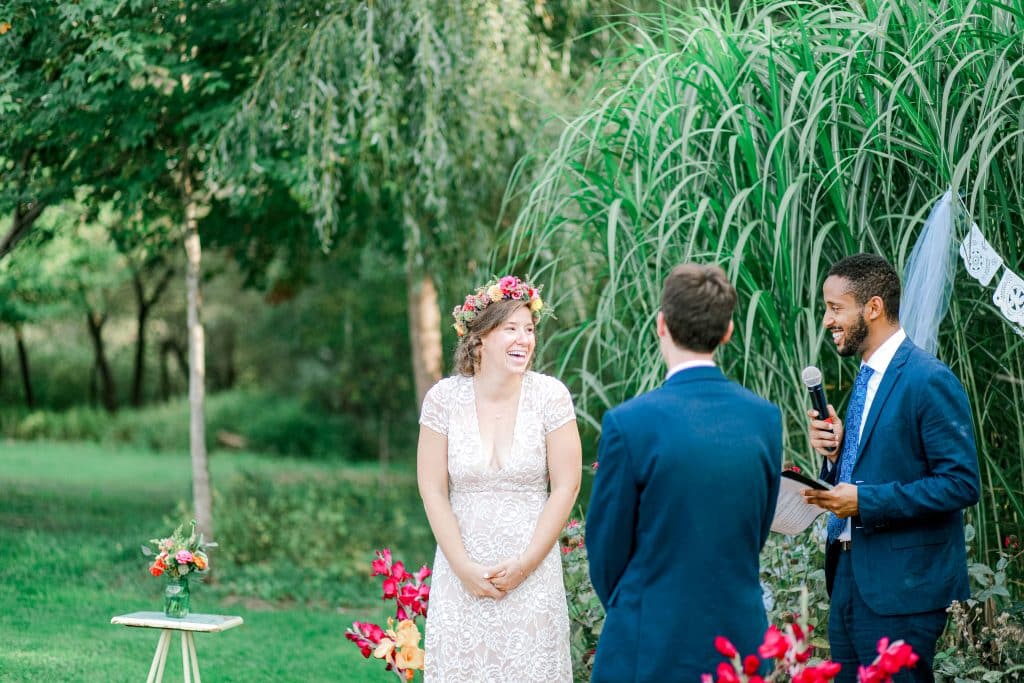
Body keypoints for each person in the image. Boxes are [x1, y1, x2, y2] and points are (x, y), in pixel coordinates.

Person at [586, 263, 783, 682]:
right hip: (739, 642)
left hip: (650, 644)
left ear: (661, 325)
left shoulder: (629, 424)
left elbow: (605, 553)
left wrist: (640, 605)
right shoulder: (764, 419)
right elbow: (756, 531)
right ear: (728, 331)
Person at [803, 253, 981, 682]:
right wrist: (836, 456)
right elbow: (877, 465)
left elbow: (960, 483)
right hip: (849, 580)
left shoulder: (927, 378)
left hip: (903, 593)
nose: (827, 320)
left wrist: (865, 501)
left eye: (835, 308)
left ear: (874, 307)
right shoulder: (866, 378)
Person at [417, 275, 582, 682]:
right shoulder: (443, 399)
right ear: (480, 338)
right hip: (461, 577)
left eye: (529, 330)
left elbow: (567, 486)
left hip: (531, 578)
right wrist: (463, 567)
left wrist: (526, 564)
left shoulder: (551, 396)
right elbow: (433, 489)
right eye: (511, 329)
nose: (524, 340)